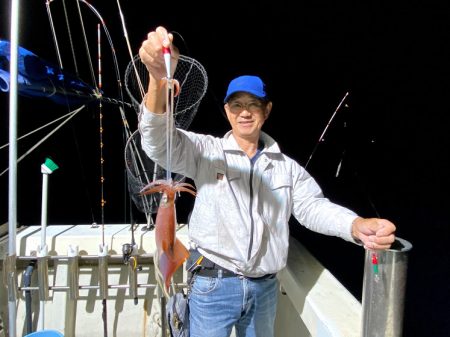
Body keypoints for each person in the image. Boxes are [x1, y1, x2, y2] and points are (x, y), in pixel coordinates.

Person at [138, 26, 396, 337]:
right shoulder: (206, 151)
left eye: (253, 104)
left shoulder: (286, 168)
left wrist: (354, 226)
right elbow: (156, 142)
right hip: (212, 285)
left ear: (267, 110)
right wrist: (156, 79)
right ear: (226, 111)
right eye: (237, 105)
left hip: (265, 291)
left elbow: (313, 208)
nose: (244, 112)